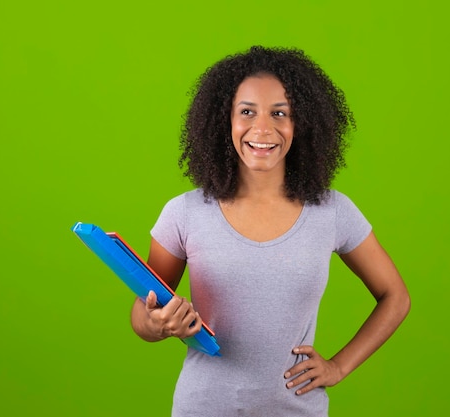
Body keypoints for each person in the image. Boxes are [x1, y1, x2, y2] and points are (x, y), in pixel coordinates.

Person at [130, 45, 410, 416]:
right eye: (247, 112)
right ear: (224, 120)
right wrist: (156, 323)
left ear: (302, 125)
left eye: (280, 113)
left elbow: (395, 297)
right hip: (204, 407)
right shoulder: (184, 212)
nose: (262, 128)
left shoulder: (332, 211)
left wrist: (339, 367)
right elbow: (142, 313)